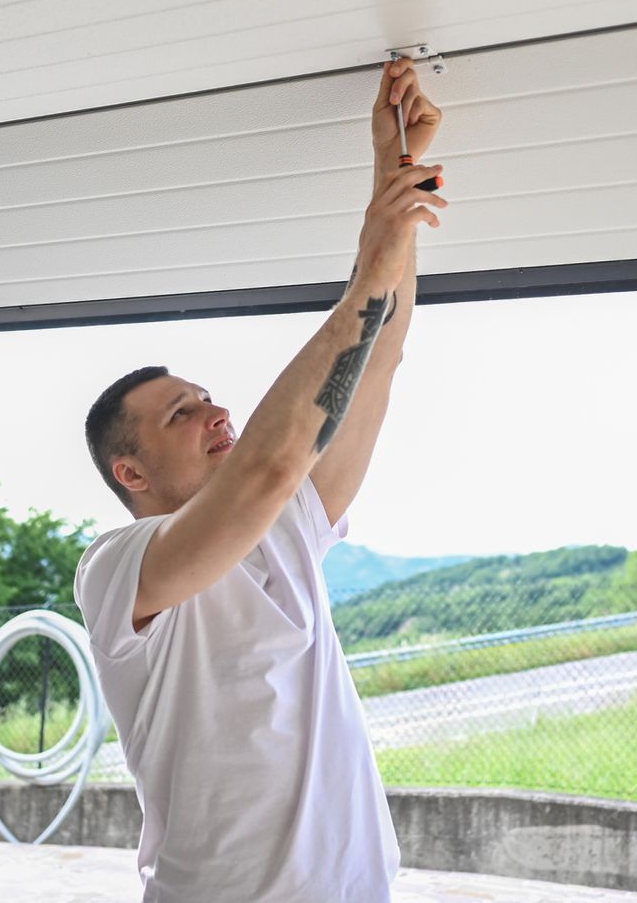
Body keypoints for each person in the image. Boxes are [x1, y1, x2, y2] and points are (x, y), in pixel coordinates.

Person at [74, 58, 447, 903]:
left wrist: (395, 178)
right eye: (181, 415)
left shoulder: (288, 523)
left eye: (209, 400)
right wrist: (367, 259)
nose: (215, 414)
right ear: (129, 472)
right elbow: (269, 466)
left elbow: (377, 361)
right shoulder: (115, 568)